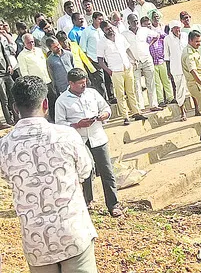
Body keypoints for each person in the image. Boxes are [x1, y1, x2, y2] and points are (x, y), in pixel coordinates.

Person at [0, 76, 98, 272]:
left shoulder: (5, 146)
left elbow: (6, 175)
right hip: (72, 233)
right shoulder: (67, 136)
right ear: (45, 103)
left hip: (37, 243)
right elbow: (86, 171)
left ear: (15, 108)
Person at [55, 68, 123, 218]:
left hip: (97, 137)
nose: (83, 86)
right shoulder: (62, 100)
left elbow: (106, 108)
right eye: (79, 84)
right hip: (79, 141)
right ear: (71, 83)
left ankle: (113, 205)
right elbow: (59, 124)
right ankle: (88, 201)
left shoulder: (92, 93)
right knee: (85, 172)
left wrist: (103, 115)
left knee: (107, 172)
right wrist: (77, 124)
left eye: (84, 82)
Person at [97, 21, 146, 125]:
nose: (110, 30)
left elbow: (127, 49)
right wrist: (109, 71)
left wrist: (134, 59)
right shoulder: (102, 42)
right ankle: (125, 116)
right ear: (103, 31)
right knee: (120, 95)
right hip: (115, 71)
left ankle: (136, 112)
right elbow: (100, 61)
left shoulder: (119, 37)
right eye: (107, 29)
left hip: (127, 67)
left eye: (110, 27)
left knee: (131, 92)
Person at [122, 14, 160, 112]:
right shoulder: (124, 34)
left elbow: (157, 35)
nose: (135, 23)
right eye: (133, 21)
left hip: (146, 59)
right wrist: (130, 59)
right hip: (134, 62)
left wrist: (148, 45)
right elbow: (123, 47)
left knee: (150, 82)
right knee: (137, 85)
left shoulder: (144, 30)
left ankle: (153, 104)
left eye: (136, 21)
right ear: (128, 22)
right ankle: (140, 107)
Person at [17, 33, 56, 122]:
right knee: (42, 105)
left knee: (52, 101)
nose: (32, 44)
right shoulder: (22, 56)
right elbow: (24, 73)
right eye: (29, 43)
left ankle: (55, 120)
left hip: (48, 81)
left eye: (33, 42)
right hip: (37, 84)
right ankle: (47, 121)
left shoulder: (39, 50)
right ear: (24, 43)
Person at [80, 11, 112, 102]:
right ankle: (104, 101)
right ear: (93, 19)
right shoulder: (87, 31)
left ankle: (111, 97)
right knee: (100, 82)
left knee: (108, 79)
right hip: (94, 59)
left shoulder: (104, 30)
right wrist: (89, 60)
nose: (101, 21)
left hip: (106, 58)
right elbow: (83, 48)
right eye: (99, 19)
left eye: (102, 19)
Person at [144, 17, 173, 107]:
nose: (148, 26)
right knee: (157, 83)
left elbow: (165, 36)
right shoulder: (143, 37)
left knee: (166, 81)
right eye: (145, 24)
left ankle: (170, 98)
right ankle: (160, 100)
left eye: (149, 24)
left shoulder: (156, 33)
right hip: (152, 62)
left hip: (161, 60)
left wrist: (159, 35)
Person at [164, 21, 189, 120]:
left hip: (188, 67)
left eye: (178, 27)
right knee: (179, 91)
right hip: (176, 68)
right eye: (175, 28)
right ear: (171, 29)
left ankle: (196, 110)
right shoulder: (167, 39)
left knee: (192, 88)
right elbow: (166, 56)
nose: (177, 30)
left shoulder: (185, 35)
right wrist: (168, 70)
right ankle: (182, 113)